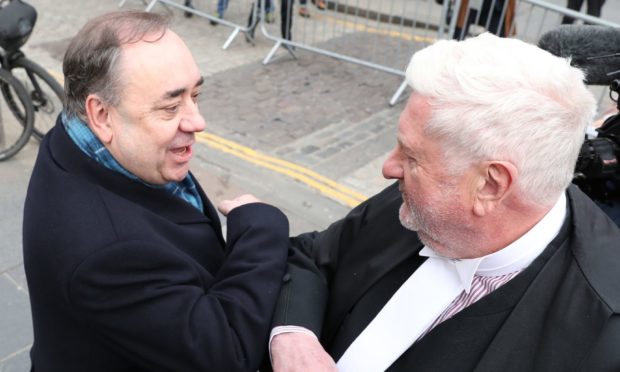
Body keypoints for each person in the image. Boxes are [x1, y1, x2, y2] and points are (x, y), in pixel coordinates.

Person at [268, 33, 620, 371]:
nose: (389, 168)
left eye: (411, 156)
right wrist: (293, 336)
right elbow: (313, 257)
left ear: (490, 184)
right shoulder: (418, 199)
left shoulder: (603, 335)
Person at [22, 11, 290, 372]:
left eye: (196, 94)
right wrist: (261, 226)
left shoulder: (83, 140)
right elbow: (226, 352)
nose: (197, 121)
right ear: (101, 114)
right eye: (171, 106)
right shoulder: (109, 253)